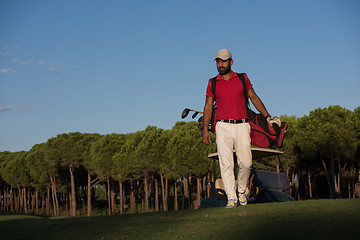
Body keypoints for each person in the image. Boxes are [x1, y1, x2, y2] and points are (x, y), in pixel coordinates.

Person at [202, 49, 281, 208]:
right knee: (226, 164)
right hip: (222, 126)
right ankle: (231, 198)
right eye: (218, 61)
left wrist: (267, 116)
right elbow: (208, 106)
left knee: (245, 163)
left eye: (224, 61)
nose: (221, 64)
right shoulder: (213, 82)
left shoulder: (242, 78)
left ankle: (241, 192)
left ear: (231, 62)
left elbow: (254, 97)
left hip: (243, 125)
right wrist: (205, 129)